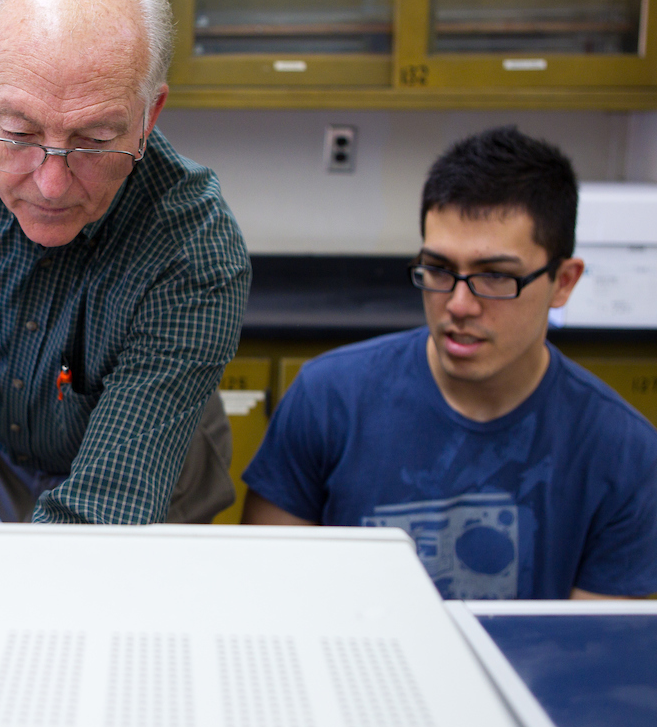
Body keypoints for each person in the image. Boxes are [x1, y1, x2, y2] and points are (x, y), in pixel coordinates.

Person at [0, 0, 250, 524]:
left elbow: (105, 509)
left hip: (148, 458)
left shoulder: (194, 248)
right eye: (18, 131)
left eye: (96, 137)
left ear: (148, 117)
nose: (52, 185)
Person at [241, 126, 657, 600]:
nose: (459, 304)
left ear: (563, 281)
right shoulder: (328, 400)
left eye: (496, 277)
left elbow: (589, 657)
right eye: (439, 269)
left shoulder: (623, 453)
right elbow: (273, 603)